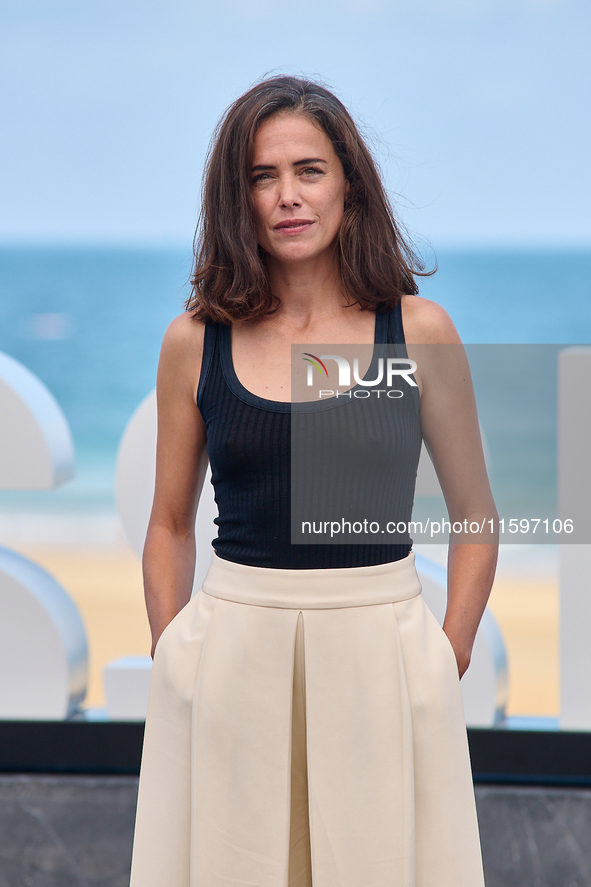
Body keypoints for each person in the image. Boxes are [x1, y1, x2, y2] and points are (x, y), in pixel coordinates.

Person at [129, 75, 498, 887]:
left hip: (382, 652)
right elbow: (169, 522)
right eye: (262, 177)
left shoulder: (419, 331)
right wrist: (174, 654)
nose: (287, 196)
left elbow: (475, 515)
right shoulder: (195, 341)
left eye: (309, 170)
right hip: (231, 657)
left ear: (349, 187)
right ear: (238, 199)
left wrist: (447, 653)